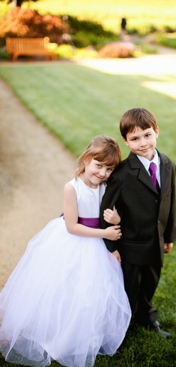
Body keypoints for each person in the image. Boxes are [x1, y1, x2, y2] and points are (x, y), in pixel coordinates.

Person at [0, 136, 131, 367]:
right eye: (98, 165)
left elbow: (112, 214)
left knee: (90, 292)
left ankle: (79, 335)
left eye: (109, 169)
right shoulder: (72, 188)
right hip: (74, 241)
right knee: (64, 287)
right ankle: (52, 334)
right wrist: (106, 235)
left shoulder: (107, 187)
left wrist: (116, 220)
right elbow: (72, 227)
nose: (102, 173)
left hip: (98, 245)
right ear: (86, 159)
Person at [100, 107, 176, 338]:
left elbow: (170, 201)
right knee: (130, 287)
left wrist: (169, 236)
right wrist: (112, 247)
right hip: (130, 244)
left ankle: (147, 317)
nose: (143, 143)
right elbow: (105, 209)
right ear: (125, 141)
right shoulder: (121, 173)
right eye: (135, 139)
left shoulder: (167, 165)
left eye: (147, 135)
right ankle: (121, 326)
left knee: (151, 282)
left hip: (156, 240)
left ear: (156, 132)